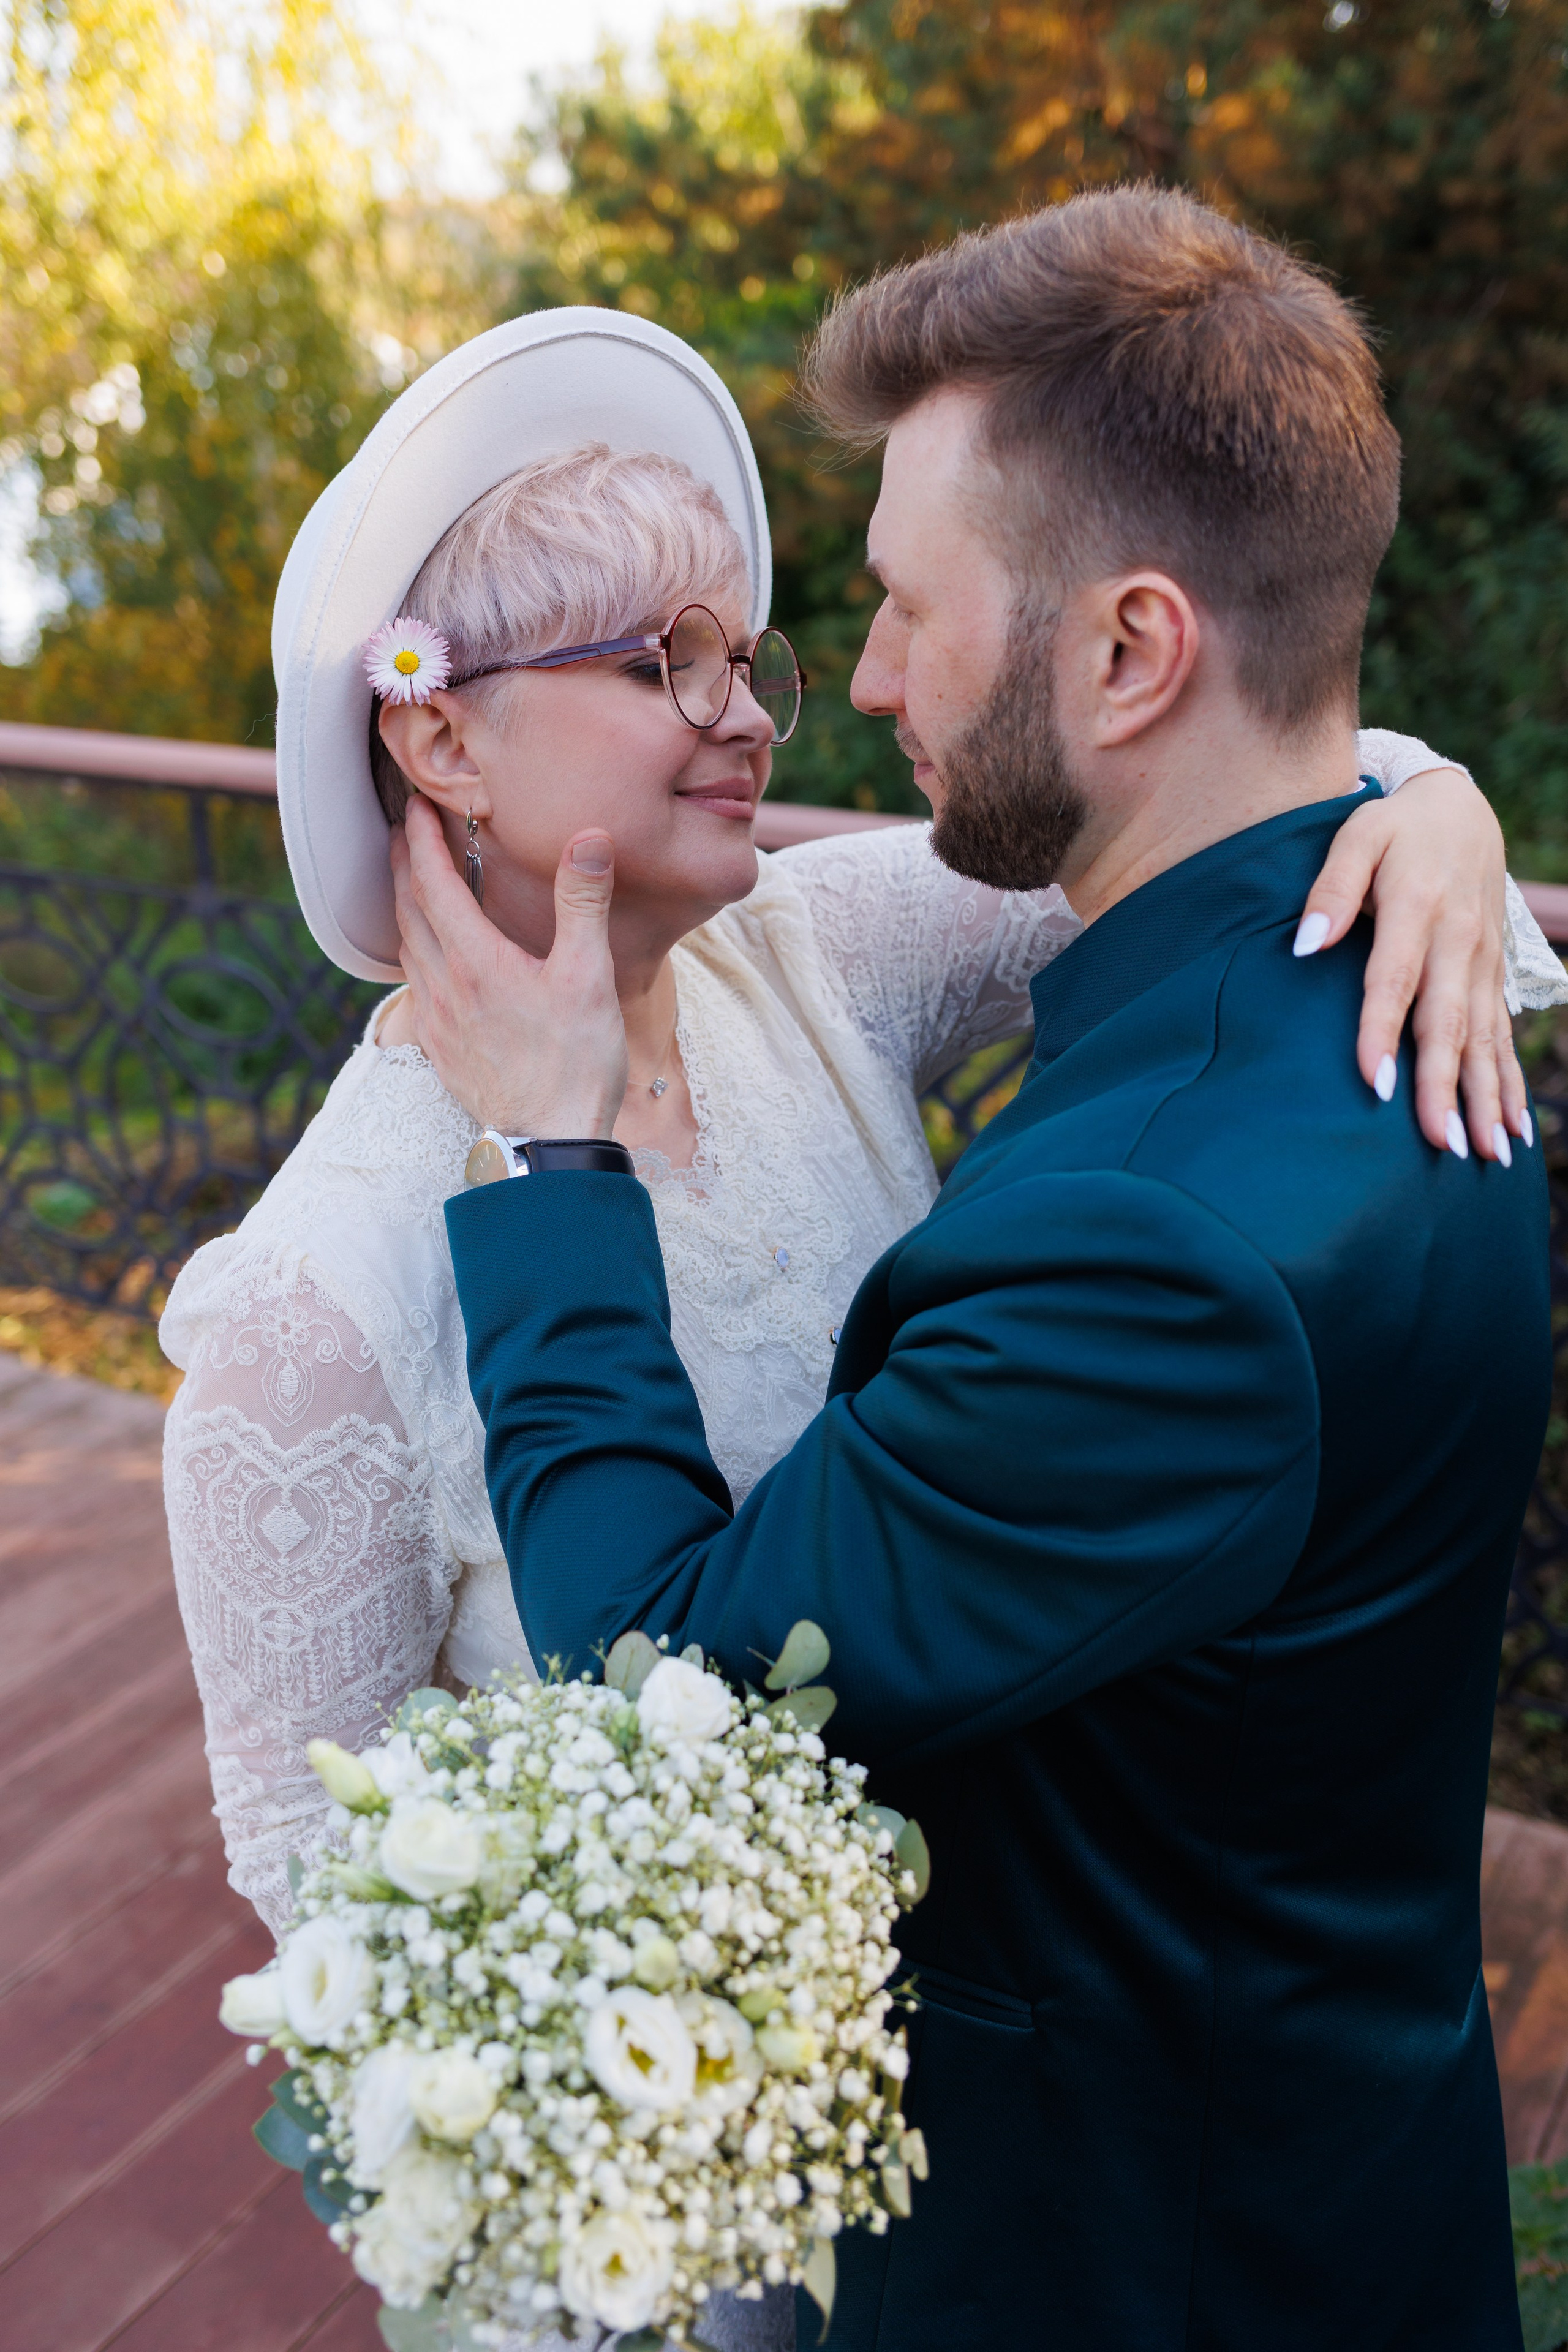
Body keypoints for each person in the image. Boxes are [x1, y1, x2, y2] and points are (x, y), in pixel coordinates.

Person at [394, 193, 1560, 2348]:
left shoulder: (1162, 1244)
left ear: (1131, 653)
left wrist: (555, 1156)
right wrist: (1435, 788)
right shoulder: (1392, 980)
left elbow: (683, 1695)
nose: (856, 684)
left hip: (1139, 2258)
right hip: (1321, 2143)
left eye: (910, 612)